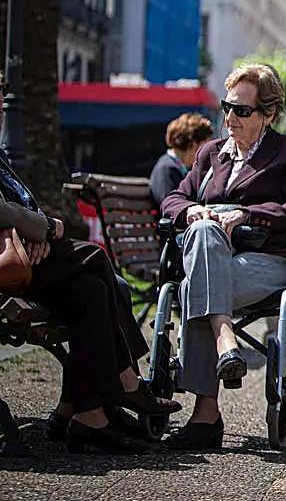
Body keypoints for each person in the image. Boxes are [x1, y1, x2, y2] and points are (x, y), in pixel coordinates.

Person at [1, 89, 180, 453]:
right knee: (96, 260)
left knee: (93, 291)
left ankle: (88, 418)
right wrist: (46, 228)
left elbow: (16, 207)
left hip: (27, 255)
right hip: (9, 264)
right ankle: (127, 381)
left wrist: (39, 235)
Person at [159, 63, 286, 450]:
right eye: (226, 107)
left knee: (199, 284)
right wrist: (191, 211)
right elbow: (173, 198)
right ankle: (225, 338)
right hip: (211, 257)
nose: (230, 117)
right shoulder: (211, 152)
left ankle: (206, 416)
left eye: (242, 110)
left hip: (266, 261)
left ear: (268, 115)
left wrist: (247, 214)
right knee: (201, 235)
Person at [149, 113, 214, 206]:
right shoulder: (167, 169)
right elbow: (169, 205)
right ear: (194, 145)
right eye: (206, 145)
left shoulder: (182, 168)